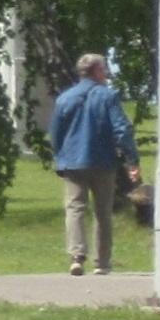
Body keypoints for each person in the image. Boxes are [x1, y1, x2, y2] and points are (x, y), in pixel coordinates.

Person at [50, 52, 141, 279]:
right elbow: (122, 128)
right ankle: (102, 262)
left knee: (75, 208)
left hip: (72, 161)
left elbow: (56, 133)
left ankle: (77, 256)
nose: (107, 73)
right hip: (103, 161)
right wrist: (132, 160)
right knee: (103, 212)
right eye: (104, 68)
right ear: (97, 71)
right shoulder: (108, 97)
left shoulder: (65, 98)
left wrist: (60, 156)